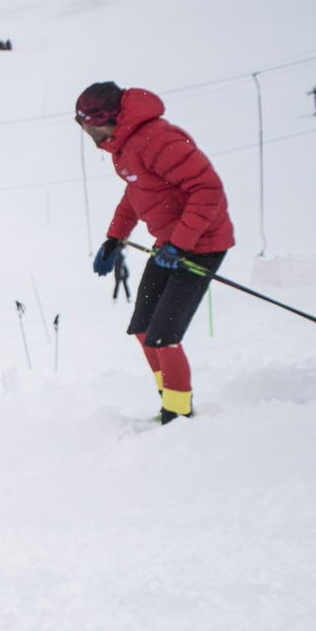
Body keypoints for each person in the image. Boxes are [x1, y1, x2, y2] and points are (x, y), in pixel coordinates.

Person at [78, 82, 234, 423]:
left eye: (90, 126)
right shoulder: (125, 146)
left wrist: (181, 243)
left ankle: (177, 415)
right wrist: (113, 238)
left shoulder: (158, 140)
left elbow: (208, 189)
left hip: (202, 244)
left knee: (164, 334)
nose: (89, 134)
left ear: (109, 118)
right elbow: (138, 192)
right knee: (143, 328)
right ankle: (170, 400)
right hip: (170, 244)